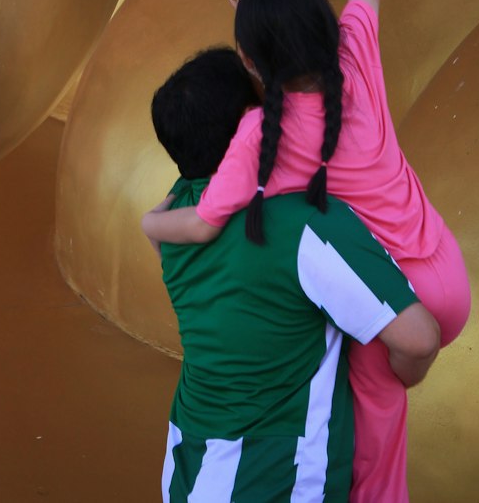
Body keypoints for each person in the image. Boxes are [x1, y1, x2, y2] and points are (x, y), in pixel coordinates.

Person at [142, 0, 471, 503]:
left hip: (393, 293)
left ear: (250, 68)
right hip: (444, 268)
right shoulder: (356, 62)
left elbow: (209, 218)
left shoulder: (263, 135)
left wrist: (154, 223)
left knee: (375, 448)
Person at [149, 47, 440, 503]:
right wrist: (393, 381)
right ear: (253, 120)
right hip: (275, 479)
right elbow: (419, 338)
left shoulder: (177, 214)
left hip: (188, 468)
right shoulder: (302, 225)